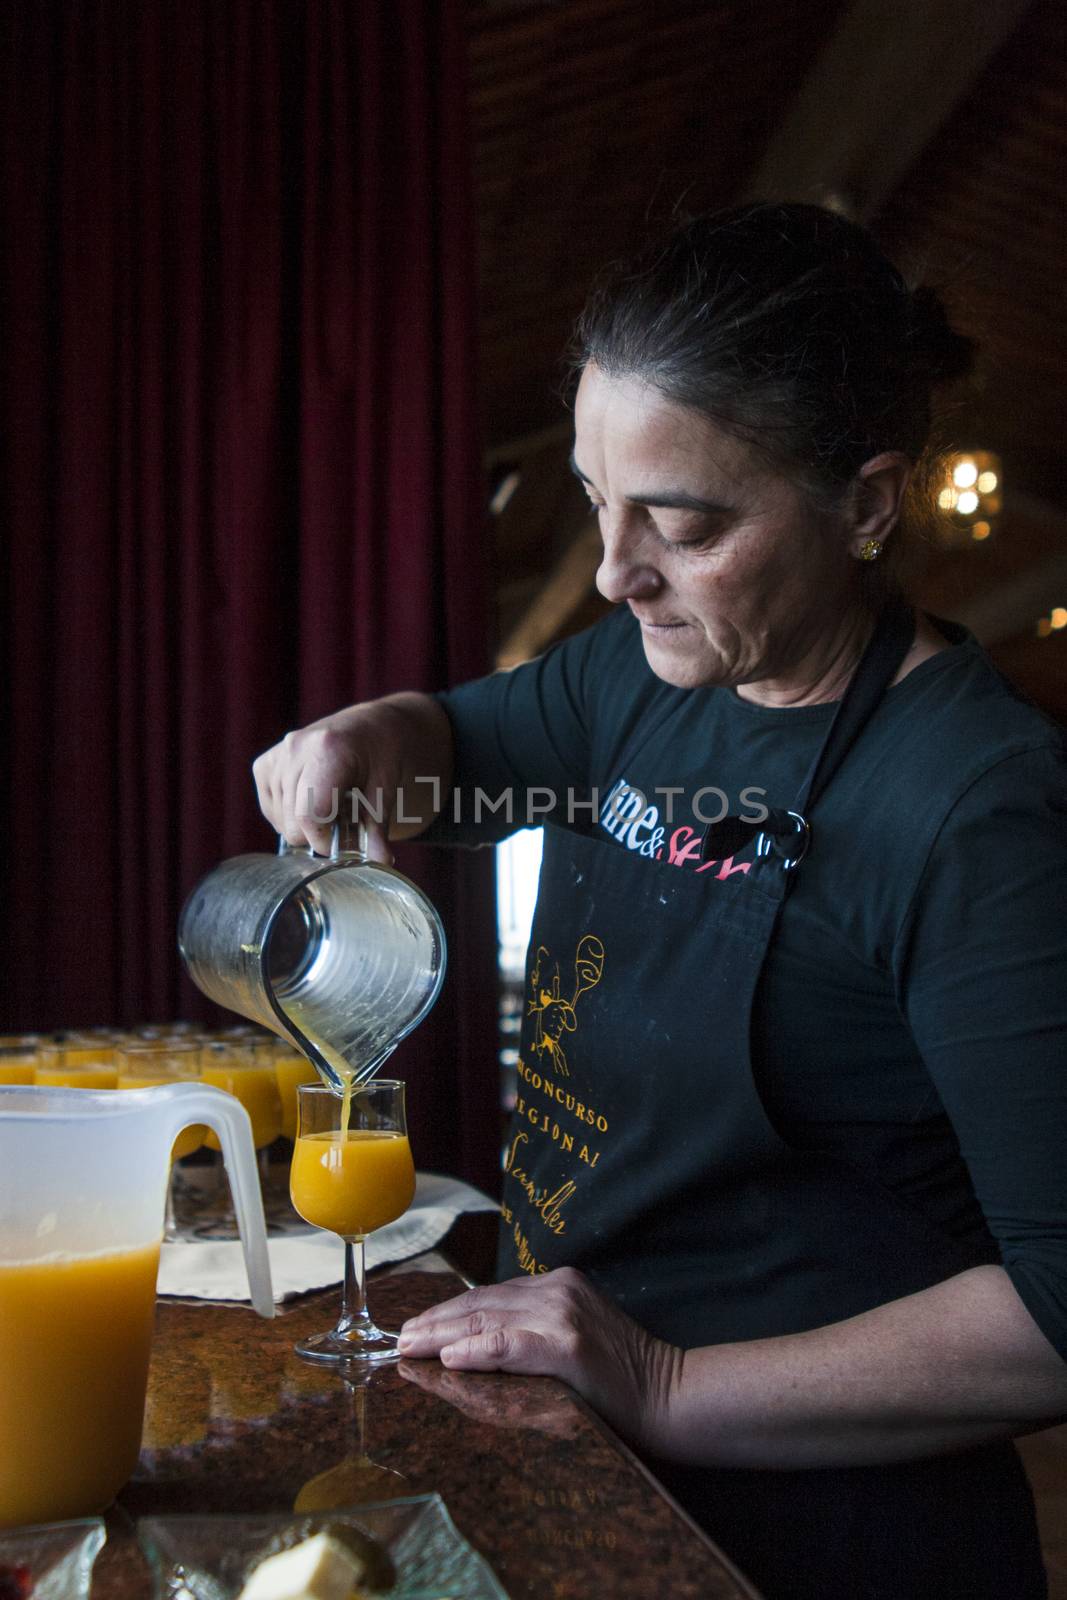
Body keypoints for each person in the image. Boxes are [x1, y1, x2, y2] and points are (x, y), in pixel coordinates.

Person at [253, 203, 1067, 1599]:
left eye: (682, 525)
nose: (621, 572)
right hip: (592, 1460)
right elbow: (452, 743)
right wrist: (366, 737)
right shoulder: (642, 673)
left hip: (836, 1534)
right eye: (595, 503)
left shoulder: (980, 811)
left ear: (869, 505)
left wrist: (667, 1378)